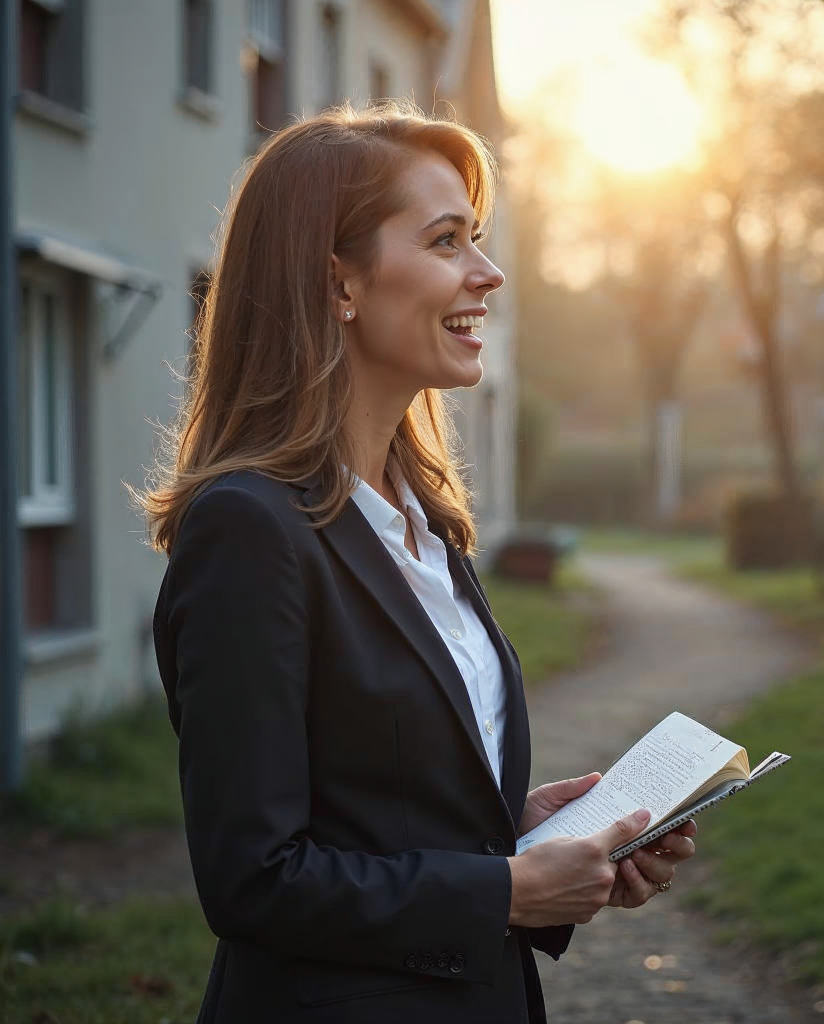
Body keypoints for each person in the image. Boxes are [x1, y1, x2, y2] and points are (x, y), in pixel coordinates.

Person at [134, 100, 697, 1024]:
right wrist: (506, 891)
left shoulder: (425, 522)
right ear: (337, 282)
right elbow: (252, 880)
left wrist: (528, 842)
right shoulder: (249, 530)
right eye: (446, 242)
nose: (490, 272)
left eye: (477, 238)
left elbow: (374, 810)